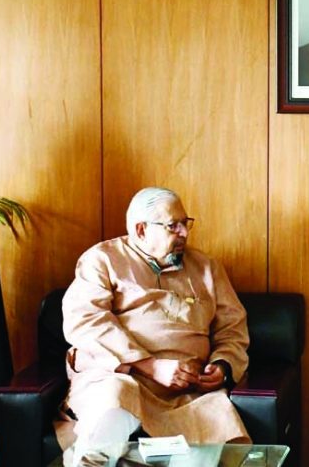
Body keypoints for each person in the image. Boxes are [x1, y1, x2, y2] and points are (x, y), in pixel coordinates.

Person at [58, 187, 250, 466]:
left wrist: (223, 367)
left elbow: (232, 328)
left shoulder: (207, 268)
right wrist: (150, 365)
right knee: (115, 399)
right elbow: (85, 320)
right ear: (141, 230)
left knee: (212, 441)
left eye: (186, 223)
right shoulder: (103, 260)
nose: (184, 233)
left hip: (188, 394)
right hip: (121, 378)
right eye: (174, 226)